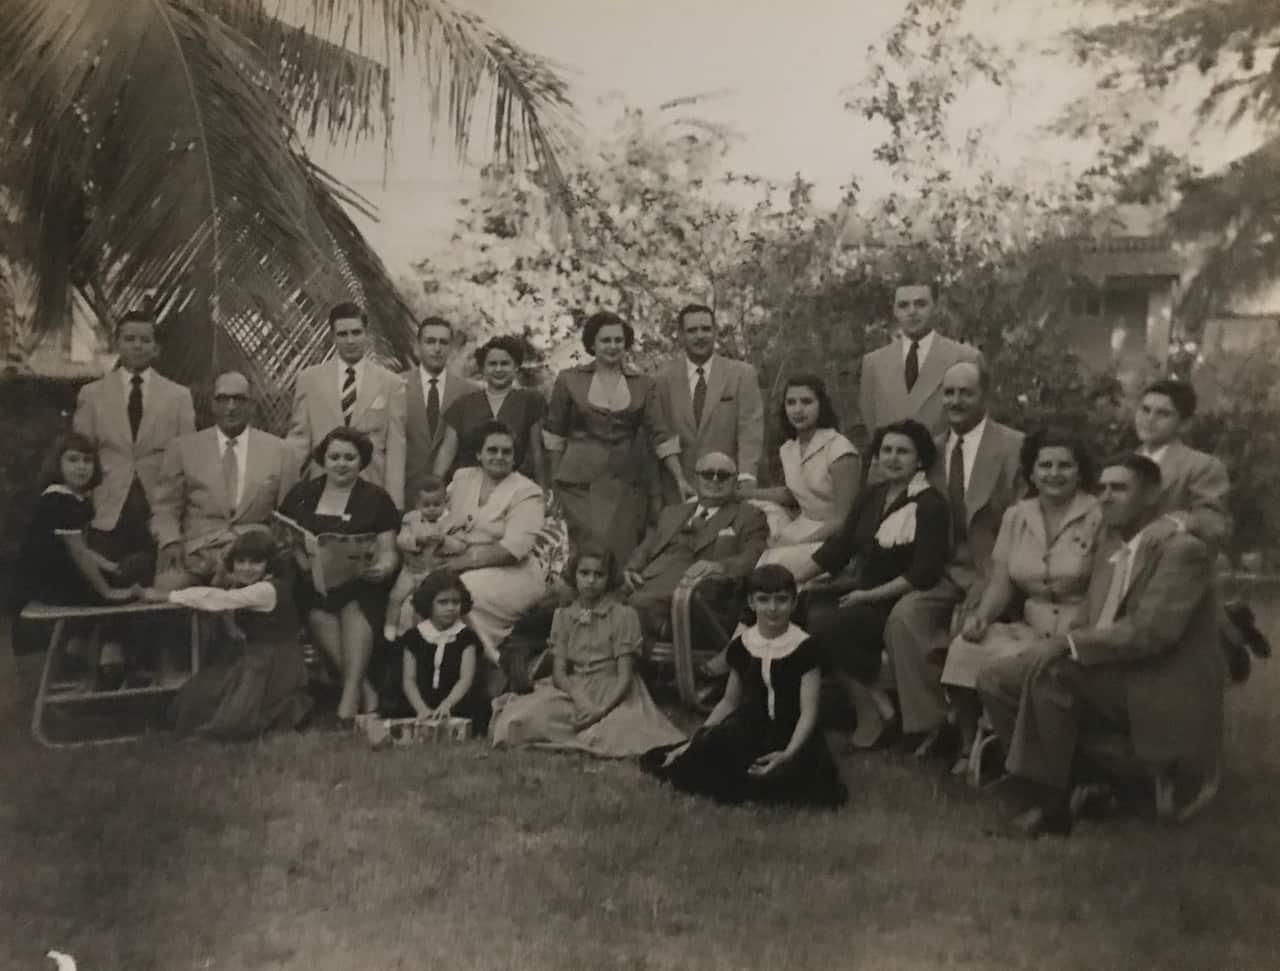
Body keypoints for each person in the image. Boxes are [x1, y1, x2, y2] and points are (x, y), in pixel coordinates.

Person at [977, 455, 1225, 836]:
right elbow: (1092, 614)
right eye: (1103, 489)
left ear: (1151, 496)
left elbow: (1150, 633)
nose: (1106, 498)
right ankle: (1079, 780)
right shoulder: (1113, 542)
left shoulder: (1182, 551)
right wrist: (1064, 638)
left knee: (1052, 677)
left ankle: (1050, 803)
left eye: (1119, 489)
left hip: (1158, 679)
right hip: (1109, 668)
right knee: (996, 678)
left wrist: (1067, 643)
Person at [942, 427, 1104, 770]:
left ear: (1081, 471)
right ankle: (970, 744)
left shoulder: (1098, 515)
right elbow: (1002, 582)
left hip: (1078, 630)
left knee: (1033, 669)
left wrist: (1073, 635)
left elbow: (1102, 587)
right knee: (964, 647)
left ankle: (1030, 754)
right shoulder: (1017, 515)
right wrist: (982, 617)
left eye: (1065, 466)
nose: (1054, 474)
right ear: (1030, 472)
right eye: (1045, 466)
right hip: (1031, 625)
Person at [885, 360, 1023, 751]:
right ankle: (931, 725)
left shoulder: (1014, 447)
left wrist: (996, 583)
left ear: (985, 396)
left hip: (994, 569)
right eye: (949, 393)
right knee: (904, 619)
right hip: (945, 569)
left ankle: (970, 737)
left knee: (968, 628)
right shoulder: (933, 449)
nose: (956, 401)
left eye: (966, 392)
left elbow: (1024, 521)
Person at [793, 420, 950, 748]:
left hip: (896, 598)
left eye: (903, 452)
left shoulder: (930, 504)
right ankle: (874, 705)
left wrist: (868, 595)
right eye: (887, 450)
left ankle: (876, 712)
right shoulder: (872, 494)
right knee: (804, 607)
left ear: (920, 460)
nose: (893, 458)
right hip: (860, 589)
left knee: (828, 626)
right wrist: (792, 578)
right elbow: (840, 547)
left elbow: (923, 573)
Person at [640, 564, 847, 808]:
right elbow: (729, 701)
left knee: (786, 784)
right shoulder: (744, 644)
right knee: (699, 761)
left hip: (792, 733)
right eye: (763, 600)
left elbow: (809, 711)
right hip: (751, 727)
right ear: (751, 602)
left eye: (781, 600)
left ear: (793, 603)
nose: (772, 608)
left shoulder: (805, 648)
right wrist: (695, 741)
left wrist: (788, 753)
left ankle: (781, 767)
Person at [491, 545, 685, 756]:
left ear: (609, 579)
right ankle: (573, 725)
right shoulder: (563, 616)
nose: (591, 580)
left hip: (614, 691)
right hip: (575, 687)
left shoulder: (623, 616)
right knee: (518, 720)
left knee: (615, 733)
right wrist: (580, 698)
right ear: (574, 576)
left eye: (599, 575)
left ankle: (596, 726)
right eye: (584, 573)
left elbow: (625, 676)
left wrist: (599, 711)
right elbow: (560, 673)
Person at [543, 311, 687, 564]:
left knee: (620, 551)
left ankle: (614, 603)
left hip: (626, 482)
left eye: (618, 340)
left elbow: (660, 434)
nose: (612, 346)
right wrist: (555, 483)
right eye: (605, 340)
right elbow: (555, 435)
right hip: (579, 483)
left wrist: (680, 478)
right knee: (590, 550)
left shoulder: (643, 384)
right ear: (592, 344)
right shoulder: (569, 380)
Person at [279, 427, 400, 722]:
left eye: (349, 457)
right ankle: (366, 692)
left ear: (362, 461)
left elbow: (389, 551)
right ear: (323, 459)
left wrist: (383, 567)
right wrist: (302, 560)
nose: (341, 464)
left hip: (362, 582)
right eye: (334, 457)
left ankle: (347, 703)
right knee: (318, 612)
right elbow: (288, 539)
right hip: (314, 582)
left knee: (355, 604)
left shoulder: (376, 497)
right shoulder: (303, 493)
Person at [73, 310, 195, 580]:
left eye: (145, 339)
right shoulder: (92, 395)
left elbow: (188, 460)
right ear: (117, 344)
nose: (137, 345)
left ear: (157, 348)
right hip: (106, 511)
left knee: (156, 587)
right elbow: (81, 455)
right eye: (129, 339)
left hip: (157, 511)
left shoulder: (178, 397)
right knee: (107, 583)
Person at [10, 434, 141, 687]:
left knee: (126, 572)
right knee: (124, 592)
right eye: (72, 460)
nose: (81, 467)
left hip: (61, 577)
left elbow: (83, 548)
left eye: (87, 461)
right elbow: (78, 553)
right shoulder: (58, 499)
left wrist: (111, 567)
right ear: (57, 465)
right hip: (47, 584)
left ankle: (78, 654)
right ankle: (109, 664)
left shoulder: (75, 499)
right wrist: (107, 590)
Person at [156, 531, 312, 739]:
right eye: (241, 561)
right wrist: (222, 572)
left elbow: (219, 598)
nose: (246, 568)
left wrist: (168, 595)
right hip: (260, 658)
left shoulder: (266, 590)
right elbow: (220, 587)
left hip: (276, 663)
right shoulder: (251, 584)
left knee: (233, 721)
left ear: (269, 564)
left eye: (256, 562)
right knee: (199, 695)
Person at [152, 371, 299, 589]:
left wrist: (273, 555)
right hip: (197, 554)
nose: (231, 407)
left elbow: (288, 516)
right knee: (167, 586)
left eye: (239, 399)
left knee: (250, 591)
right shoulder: (183, 449)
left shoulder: (281, 451)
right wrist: (170, 540)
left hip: (252, 557)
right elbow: (165, 507)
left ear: (252, 404)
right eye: (223, 399)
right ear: (212, 404)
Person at [623, 452, 770, 644]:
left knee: (630, 610)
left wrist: (719, 567)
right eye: (708, 474)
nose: (715, 480)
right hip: (649, 583)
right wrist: (632, 568)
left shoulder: (749, 515)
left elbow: (753, 556)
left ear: (735, 482)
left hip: (697, 594)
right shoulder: (672, 513)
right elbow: (647, 546)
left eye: (723, 475)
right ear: (696, 478)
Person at [433, 420, 548, 664]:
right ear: (479, 453)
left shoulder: (528, 491)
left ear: (515, 457)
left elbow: (514, 550)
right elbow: (441, 519)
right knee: (419, 591)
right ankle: (433, 666)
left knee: (461, 591)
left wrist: (461, 563)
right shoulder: (463, 478)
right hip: (458, 562)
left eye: (507, 452)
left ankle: (488, 663)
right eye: (492, 450)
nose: (499, 457)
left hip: (514, 573)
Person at [287, 302, 406, 509]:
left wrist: (394, 504)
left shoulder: (390, 383)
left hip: (371, 488)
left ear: (366, 334)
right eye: (342, 334)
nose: (350, 340)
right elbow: (299, 441)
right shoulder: (309, 380)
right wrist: (285, 493)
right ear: (332, 337)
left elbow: (396, 449)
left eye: (356, 333)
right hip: (322, 487)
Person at [747, 375, 860, 578]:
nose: (798, 410)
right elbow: (793, 494)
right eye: (791, 402)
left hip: (833, 537)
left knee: (776, 568)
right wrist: (742, 494)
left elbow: (844, 519)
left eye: (806, 402)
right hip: (801, 526)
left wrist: (799, 542)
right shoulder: (788, 449)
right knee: (758, 558)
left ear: (821, 405)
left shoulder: (839, 449)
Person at [654, 303, 764, 502]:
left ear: (714, 332)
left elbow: (750, 429)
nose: (700, 336)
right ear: (680, 335)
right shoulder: (662, 380)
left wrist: (747, 476)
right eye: (692, 330)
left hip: (727, 486)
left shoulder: (741, 374)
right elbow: (662, 435)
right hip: (680, 490)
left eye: (706, 329)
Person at [858, 277, 983, 445]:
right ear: (894, 310)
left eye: (920, 304)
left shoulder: (966, 358)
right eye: (903, 305)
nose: (912, 312)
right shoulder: (873, 363)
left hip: (942, 467)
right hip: (887, 466)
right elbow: (871, 422)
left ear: (936, 308)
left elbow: (975, 426)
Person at [434, 335, 547, 486]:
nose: (498, 369)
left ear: (516, 366)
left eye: (505, 363)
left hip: (515, 486)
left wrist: (543, 489)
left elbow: (537, 452)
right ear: (483, 369)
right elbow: (447, 451)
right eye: (492, 364)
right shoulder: (463, 405)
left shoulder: (531, 402)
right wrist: (434, 486)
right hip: (468, 486)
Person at [1133, 379, 1230, 549]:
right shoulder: (1122, 463)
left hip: (1167, 565)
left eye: (1163, 414)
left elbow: (1214, 523)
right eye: (1145, 410)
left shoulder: (1202, 466)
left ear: (1185, 424)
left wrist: (1176, 522)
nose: (1150, 419)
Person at [388, 570, 490, 731]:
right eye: (443, 602)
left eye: (455, 602)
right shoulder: (414, 637)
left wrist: (447, 704)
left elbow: (466, 679)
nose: (450, 608)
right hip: (419, 701)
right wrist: (420, 708)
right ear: (428, 603)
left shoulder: (466, 637)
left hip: (457, 701)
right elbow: (409, 679)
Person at [404, 316, 478, 503]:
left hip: (452, 497)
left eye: (443, 342)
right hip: (404, 493)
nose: (437, 349)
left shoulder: (470, 392)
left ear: (451, 347)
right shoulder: (394, 385)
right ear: (418, 345)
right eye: (430, 341)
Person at [383, 476, 466, 641]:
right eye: (426, 505)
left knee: (422, 603)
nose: (432, 509)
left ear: (445, 503)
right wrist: (417, 540)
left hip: (435, 572)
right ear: (417, 505)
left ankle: (423, 634)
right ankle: (390, 629)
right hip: (411, 569)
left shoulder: (453, 522)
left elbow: (461, 545)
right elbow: (401, 540)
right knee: (395, 597)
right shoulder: (411, 519)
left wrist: (444, 540)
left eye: (437, 504)